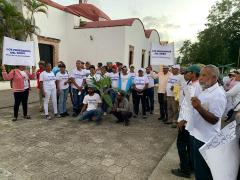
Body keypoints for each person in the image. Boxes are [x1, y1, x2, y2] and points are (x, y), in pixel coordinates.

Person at [191, 65, 226, 180]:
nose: (200, 78)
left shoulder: (218, 95)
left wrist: (199, 108)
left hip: (205, 140)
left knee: (203, 173)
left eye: (204, 75)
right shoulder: (205, 89)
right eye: (200, 75)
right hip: (198, 135)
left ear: (214, 77)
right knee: (199, 170)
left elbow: (215, 119)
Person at [171, 65, 202, 178]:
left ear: (193, 73)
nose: (185, 73)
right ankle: (190, 165)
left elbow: (192, 107)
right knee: (189, 145)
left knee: (181, 145)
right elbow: (186, 102)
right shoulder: (190, 83)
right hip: (185, 120)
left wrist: (183, 121)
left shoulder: (197, 87)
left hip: (187, 122)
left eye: (187, 72)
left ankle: (185, 170)